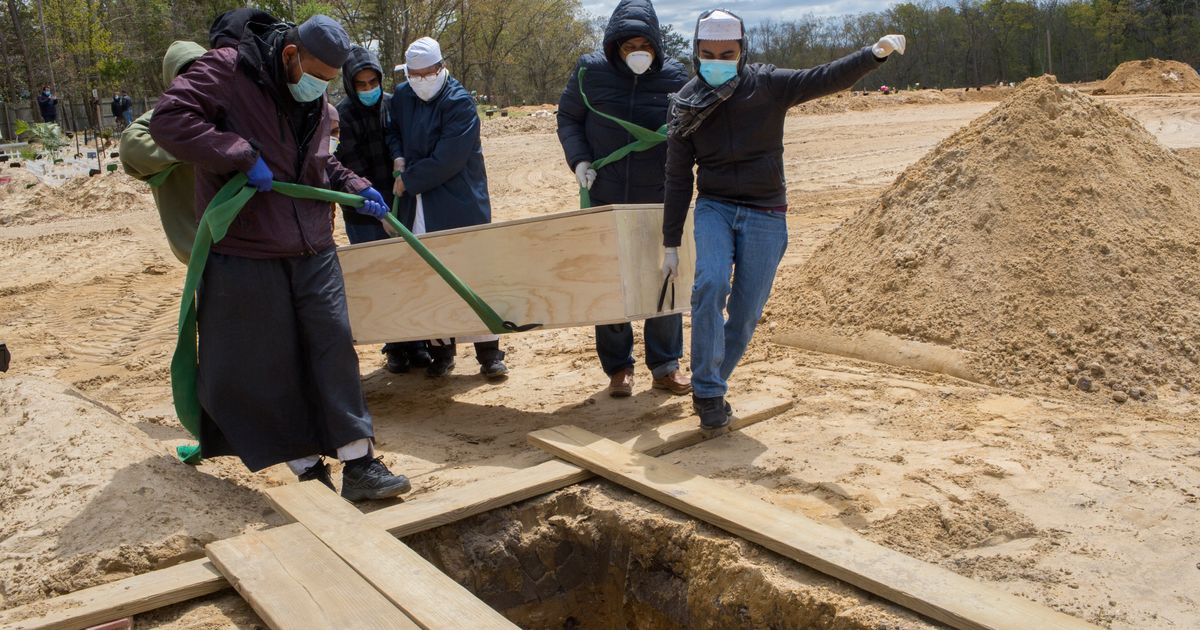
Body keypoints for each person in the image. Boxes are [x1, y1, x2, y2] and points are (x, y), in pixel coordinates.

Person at [150, 14, 412, 501]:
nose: (322, 89)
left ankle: (360, 464)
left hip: (313, 243)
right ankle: (308, 470)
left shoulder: (316, 100)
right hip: (248, 249)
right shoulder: (227, 70)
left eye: (330, 83)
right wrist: (238, 152)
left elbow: (321, 160)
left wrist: (355, 186)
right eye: (317, 77)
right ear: (291, 55)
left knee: (334, 346)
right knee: (273, 362)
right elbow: (169, 122)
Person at [661, 9, 904, 430]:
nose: (717, 60)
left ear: (742, 51)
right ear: (695, 53)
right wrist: (669, 243)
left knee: (746, 311)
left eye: (727, 52)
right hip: (715, 206)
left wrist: (874, 55)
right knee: (710, 285)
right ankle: (707, 391)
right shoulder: (686, 103)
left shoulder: (769, 85)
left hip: (766, 212)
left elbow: (824, 77)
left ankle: (714, 379)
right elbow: (678, 177)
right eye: (708, 53)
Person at [556, 0, 691, 399]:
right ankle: (618, 368)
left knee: (663, 276)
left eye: (645, 45)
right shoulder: (589, 72)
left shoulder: (674, 76)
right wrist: (579, 160)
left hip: (659, 196)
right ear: (613, 45)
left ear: (657, 45)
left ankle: (665, 365)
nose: (638, 52)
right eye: (628, 44)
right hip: (607, 194)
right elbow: (568, 118)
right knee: (611, 281)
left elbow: (687, 129)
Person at [387, 37, 507, 380]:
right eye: (415, 74)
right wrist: (397, 154)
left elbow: (449, 158)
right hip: (420, 206)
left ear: (441, 68)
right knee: (432, 276)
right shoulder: (403, 98)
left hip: (460, 200)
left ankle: (489, 353)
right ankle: (442, 351)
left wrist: (409, 179)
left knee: (473, 274)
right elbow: (393, 131)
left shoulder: (459, 101)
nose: (421, 80)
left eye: (428, 73)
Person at [336, 45, 433, 374]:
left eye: (371, 82)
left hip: (400, 203)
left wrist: (402, 179)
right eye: (360, 85)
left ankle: (418, 343)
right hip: (363, 210)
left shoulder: (395, 105)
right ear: (351, 85)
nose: (367, 90)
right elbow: (345, 164)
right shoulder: (341, 115)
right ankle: (394, 345)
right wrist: (368, 198)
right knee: (377, 277)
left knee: (408, 274)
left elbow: (406, 145)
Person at [120, 41, 208, 264]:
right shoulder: (162, 120)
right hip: (203, 253)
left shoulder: (227, 112)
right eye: (187, 74)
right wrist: (199, 145)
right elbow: (131, 148)